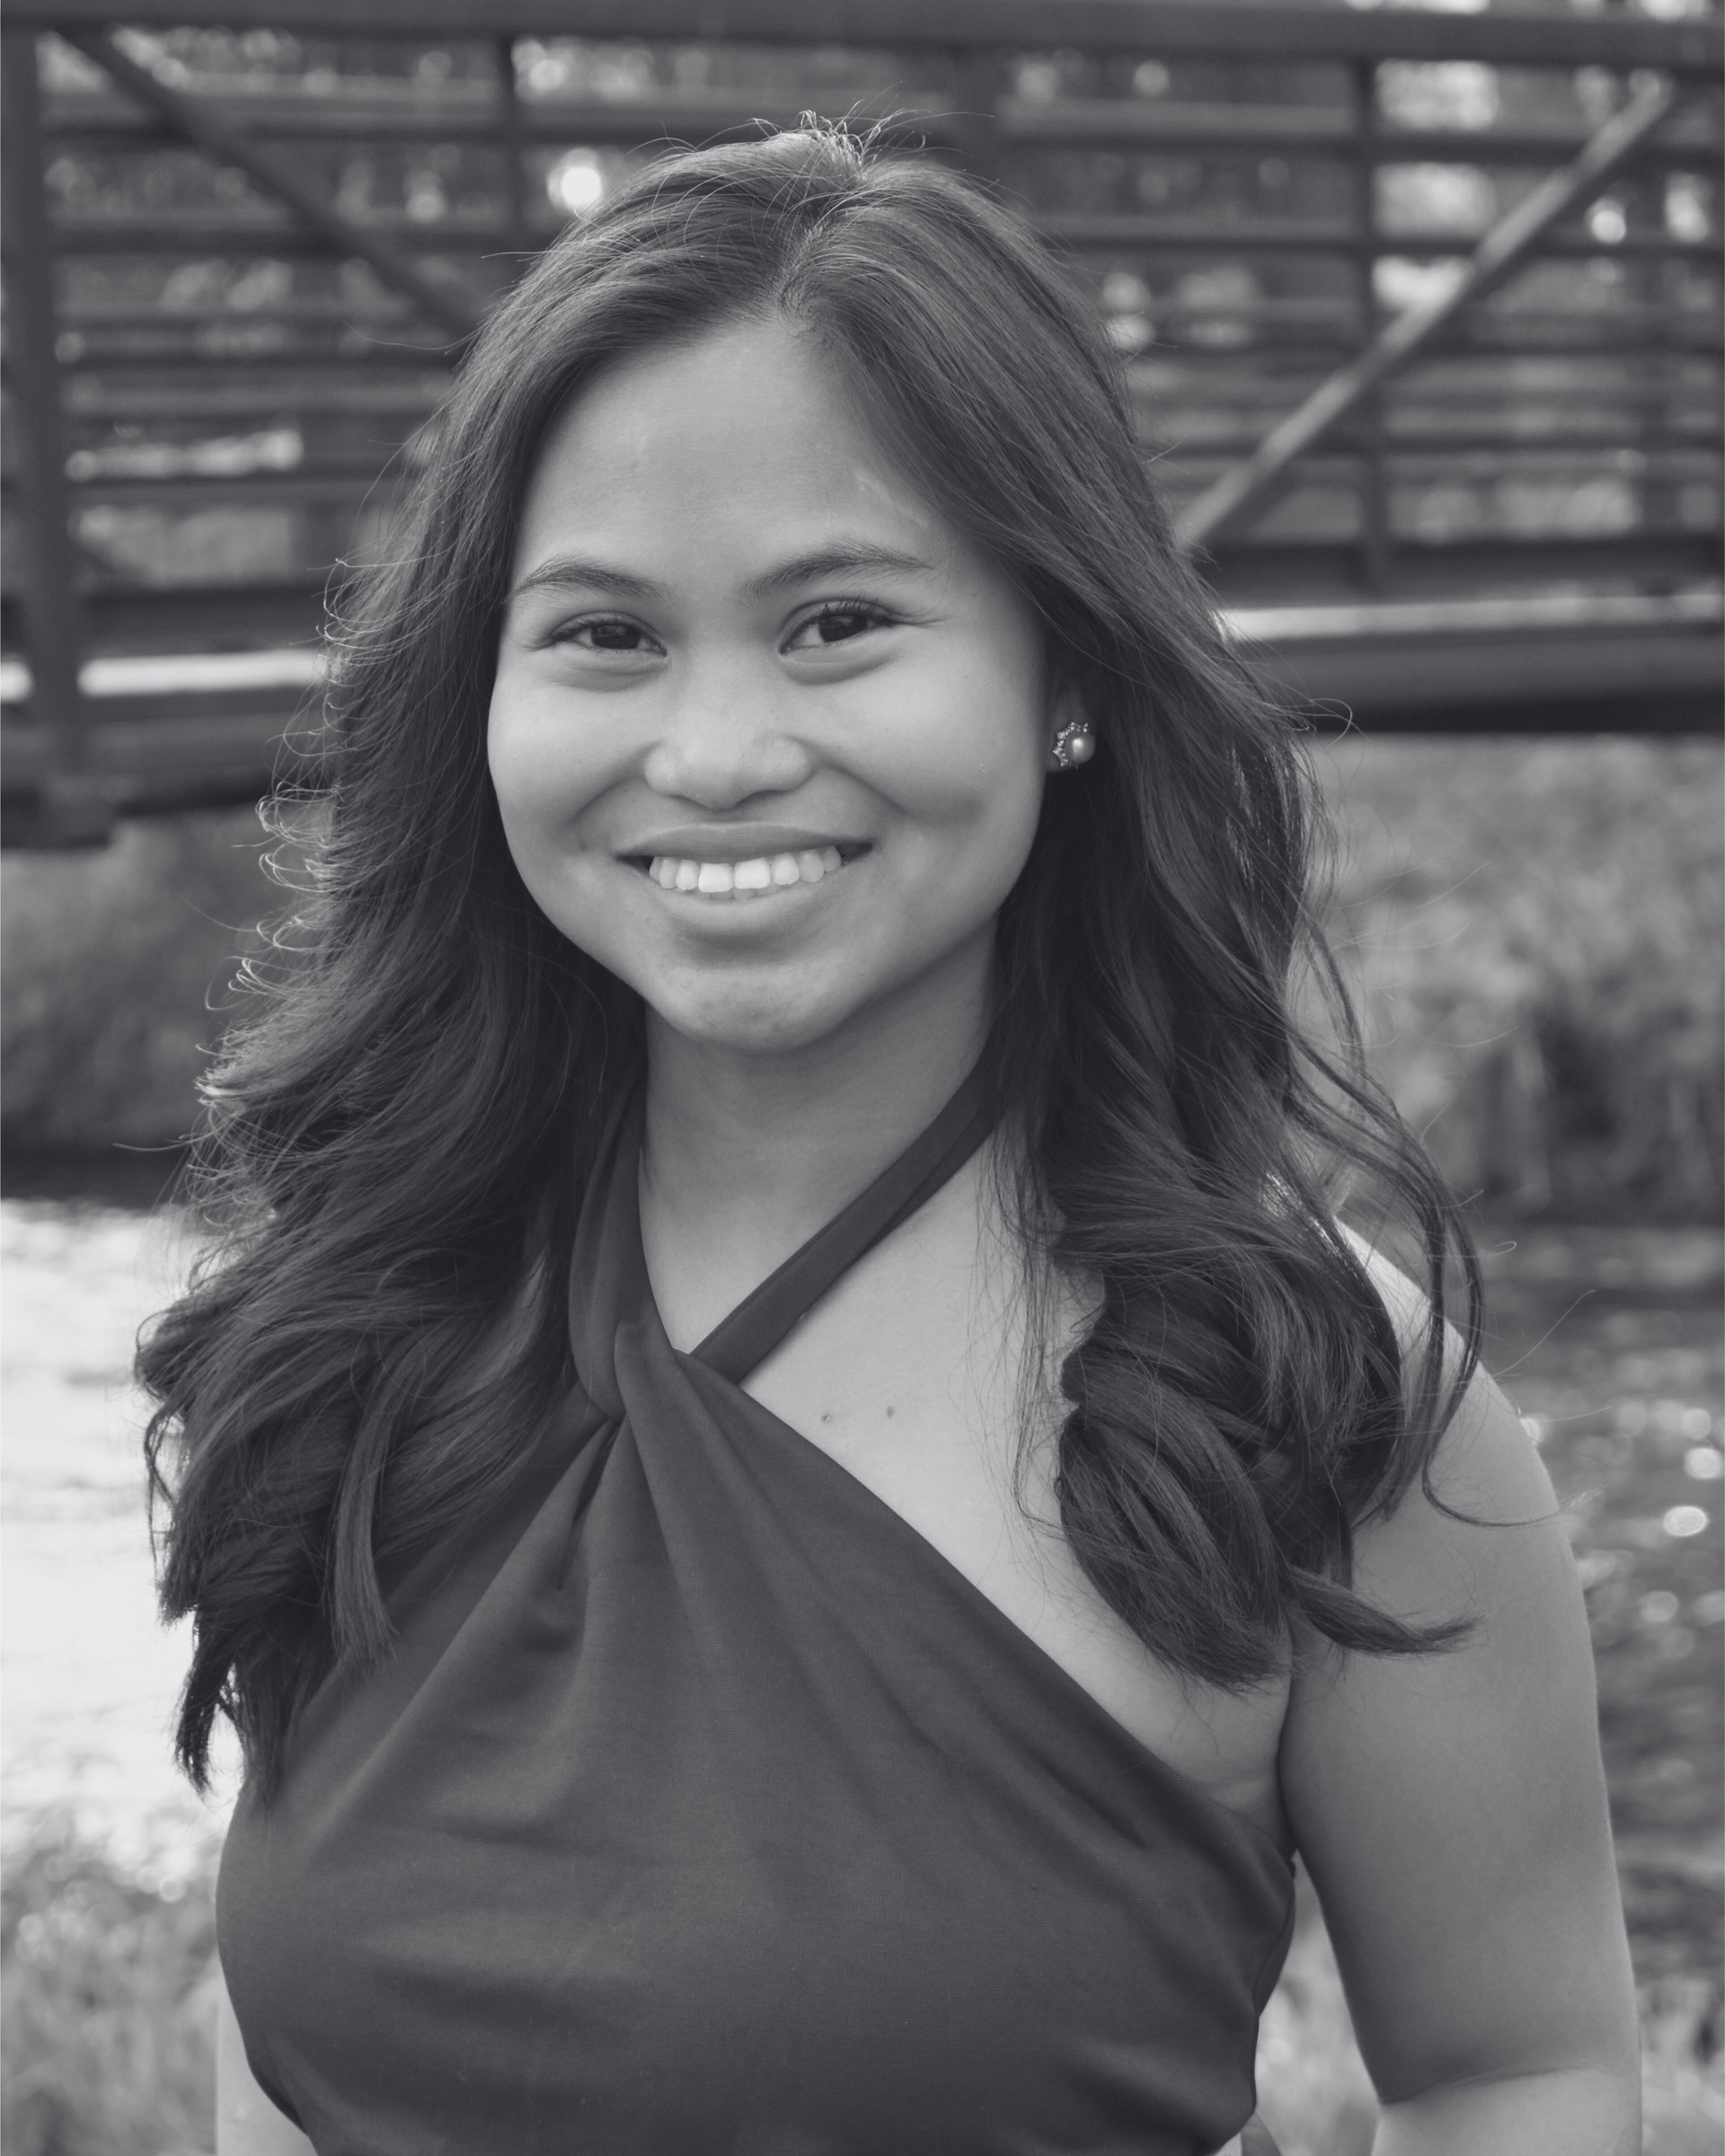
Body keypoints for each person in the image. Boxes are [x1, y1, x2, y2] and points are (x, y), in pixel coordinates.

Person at [141, 127, 1638, 2156]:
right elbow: (290, 2059)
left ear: (1069, 677)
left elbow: (1513, 2078)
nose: (722, 751)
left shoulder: (1320, 1405)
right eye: (604, 634)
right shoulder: (363, 1319)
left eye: (838, 620)